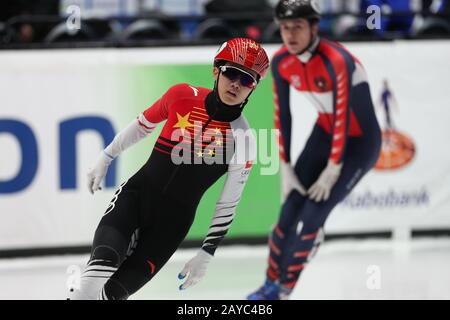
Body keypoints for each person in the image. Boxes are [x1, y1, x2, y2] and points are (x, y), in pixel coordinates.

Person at [68, 37, 269, 300]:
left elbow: (227, 203)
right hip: (135, 200)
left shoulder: (244, 139)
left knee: (112, 295)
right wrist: (107, 156)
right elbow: (143, 125)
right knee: (92, 282)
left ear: (254, 87)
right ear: (215, 70)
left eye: (247, 80)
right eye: (231, 72)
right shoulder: (182, 95)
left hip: (170, 228)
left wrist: (207, 252)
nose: (236, 84)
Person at [247, 0, 382, 300]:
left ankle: (283, 290)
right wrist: (285, 165)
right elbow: (284, 115)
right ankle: (269, 284)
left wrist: (333, 168)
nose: (290, 35)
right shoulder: (282, 62)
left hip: (359, 143)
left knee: (310, 217)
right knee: (286, 215)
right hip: (325, 134)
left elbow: (344, 116)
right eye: (284, 28)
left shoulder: (337, 60)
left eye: (297, 27)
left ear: (314, 27)